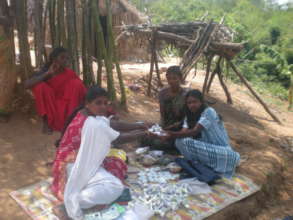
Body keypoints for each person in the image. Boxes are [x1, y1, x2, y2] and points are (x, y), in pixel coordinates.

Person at [51, 86, 149, 220]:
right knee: (114, 184)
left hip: (75, 161)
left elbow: (112, 124)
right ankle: (71, 203)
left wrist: (138, 125)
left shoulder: (87, 114)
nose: (103, 107)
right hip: (72, 165)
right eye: (98, 103)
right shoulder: (92, 122)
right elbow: (118, 137)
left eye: (105, 103)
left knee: (115, 163)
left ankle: (78, 199)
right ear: (87, 103)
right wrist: (145, 133)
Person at [164, 89, 240, 177]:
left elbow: (195, 131)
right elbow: (183, 133)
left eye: (195, 102)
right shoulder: (189, 116)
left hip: (221, 150)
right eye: (189, 103)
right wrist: (165, 134)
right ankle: (196, 165)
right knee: (179, 141)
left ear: (201, 102)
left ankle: (225, 162)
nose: (192, 105)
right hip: (205, 148)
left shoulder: (209, 112)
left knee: (231, 157)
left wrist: (171, 134)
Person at [24, 47, 87, 133]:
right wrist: (47, 74)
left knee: (77, 84)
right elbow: (26, 84)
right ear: (54, 59)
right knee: (40, 87)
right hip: (50, 104)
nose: (65, 60)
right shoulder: (45, 71)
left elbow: (83, 91)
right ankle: (46, 123)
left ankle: (72, 120)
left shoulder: (70, 73)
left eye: (67, 58)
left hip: (68, 106)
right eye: (62, 57)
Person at [141, 66, 189, 152]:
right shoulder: (163, 93)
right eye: (169, 78)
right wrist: (161, 129)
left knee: (161, 143)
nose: (172, 81)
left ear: (181, 79)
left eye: (175, 78)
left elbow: (187, 118)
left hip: (180, 129)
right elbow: (163, 115)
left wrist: (174, 128)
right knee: (144, 137)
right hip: (166, 126)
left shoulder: (186, 95)